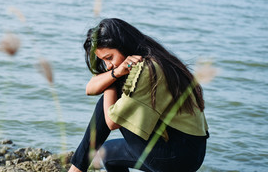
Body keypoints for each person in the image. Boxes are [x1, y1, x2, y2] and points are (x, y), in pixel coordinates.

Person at [69, 18, 209, 172]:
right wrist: (115, 73)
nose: (108, 65)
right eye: (104, 60)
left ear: (123, 46)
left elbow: (112, 122)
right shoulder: (155, 60)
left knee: (108, 102)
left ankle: (75, 170)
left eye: (109, 58)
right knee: (107, 154)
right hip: (191, 153)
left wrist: (111, 82)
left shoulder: (148, 69)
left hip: (176, 156)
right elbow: (89, 88)